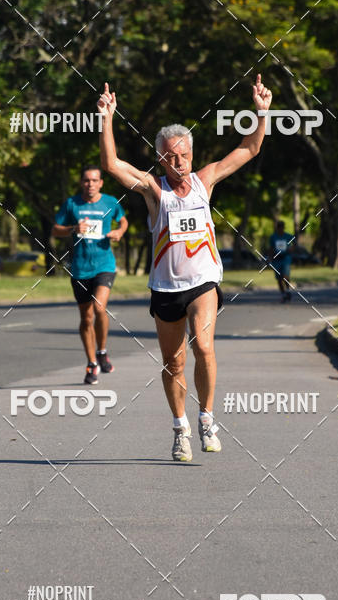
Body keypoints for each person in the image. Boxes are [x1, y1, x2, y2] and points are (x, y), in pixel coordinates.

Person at [99, 76, 272, 462]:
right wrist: (106, 119)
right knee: (174, 361)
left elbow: (249, 148)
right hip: (165, 288)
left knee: (204, 346)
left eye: (184, 156)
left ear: (192, 155)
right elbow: (111, 164)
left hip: (202, 282)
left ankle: (207, 418)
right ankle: (180, 428)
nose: (178, 163)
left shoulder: (203, 180)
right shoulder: (153, 189)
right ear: (160, 159)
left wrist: (262, 113)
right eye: (171, 157)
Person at [52, 166, 128, 385]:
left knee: (99, 308)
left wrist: (119, 231)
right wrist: (73, 229)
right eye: (86, 180)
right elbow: (55, 229)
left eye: (94, 180)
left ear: (101, 183)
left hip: (104, 265)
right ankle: (92, 362)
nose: (90, 184)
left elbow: (123, 220)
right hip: (80, 268)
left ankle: (102, 350)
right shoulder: (72, 204)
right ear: (81, 182)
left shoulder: (110, 202)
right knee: (86, 318)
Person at [268, 220, 294, 303]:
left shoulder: (288, 236)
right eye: (279, 227)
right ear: (277, 228)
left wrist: (291, 249)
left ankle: (288, 290)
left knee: (285, 275)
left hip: (286, 258)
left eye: (281, 227)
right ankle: (283, 294)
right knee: (279, 278)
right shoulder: (273, 237)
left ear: (283, 228)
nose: (280, 229)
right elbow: (271, 248)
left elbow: (294, 245)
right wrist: (270, 258)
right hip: (276, 259)